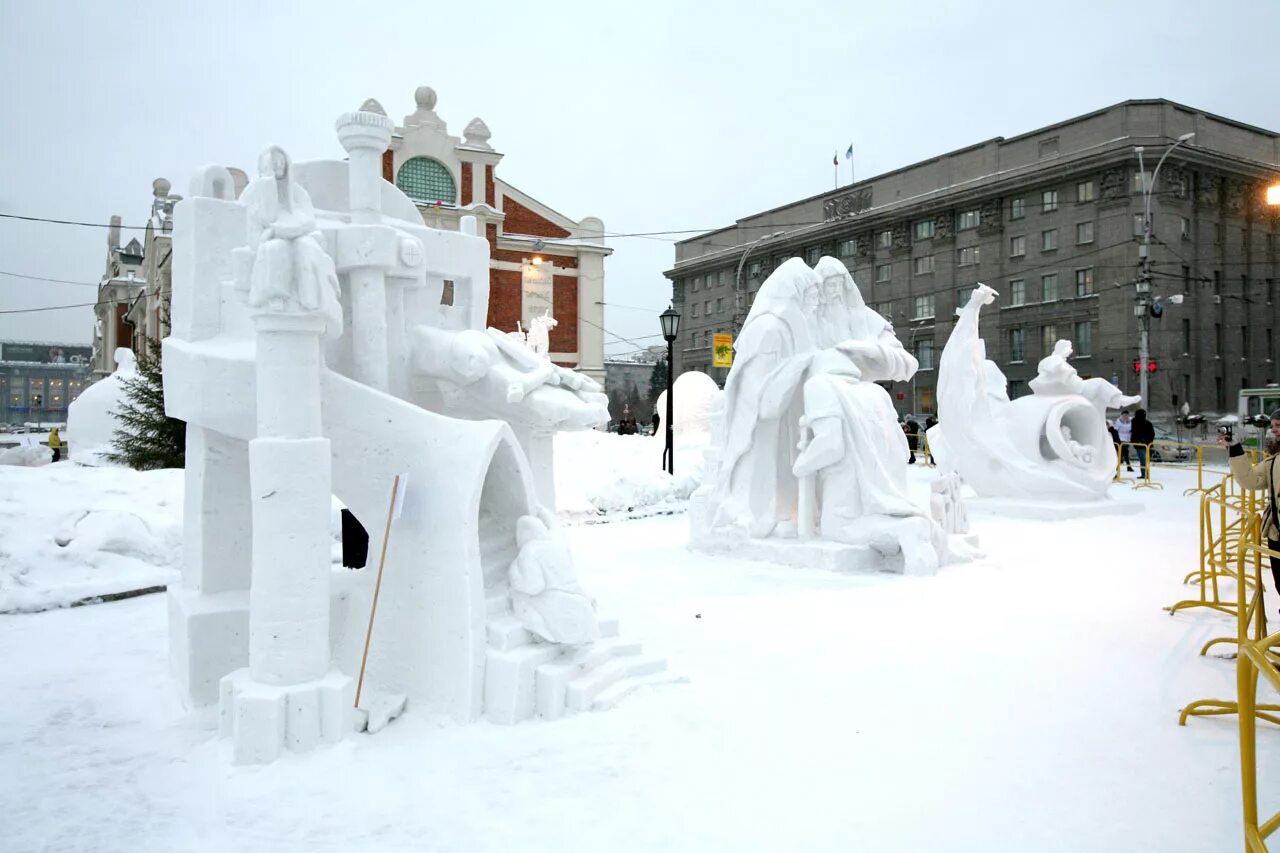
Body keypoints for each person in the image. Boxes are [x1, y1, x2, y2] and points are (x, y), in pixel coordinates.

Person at [1221, 410, 1280, 618]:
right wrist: (1235, 449)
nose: (1274, 430)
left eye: (1278, 426)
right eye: (1273, 426)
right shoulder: (1273, 462)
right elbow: (1250, 479)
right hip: (1277, 535)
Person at [1130, 408, 1155, 478]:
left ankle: (1145, 474)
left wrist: (1139, 440)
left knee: (1143, 460)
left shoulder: (1135, 423)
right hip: (1143, 444)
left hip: (1141, 444)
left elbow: (1135, 433)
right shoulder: (1145, 423)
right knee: (1144, 460)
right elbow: (1152, 434)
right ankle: (1145, 474)